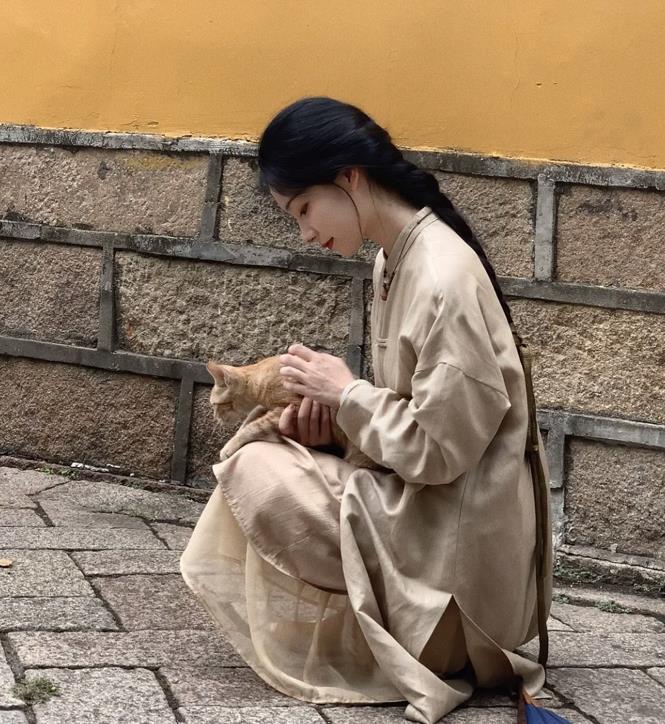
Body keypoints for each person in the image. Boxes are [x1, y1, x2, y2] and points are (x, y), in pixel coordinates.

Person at [180, 96, 553, 724]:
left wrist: (348, 393)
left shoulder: (441, 276)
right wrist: (335, 427)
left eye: (304, 209)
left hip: (464, 595)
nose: (305, 232)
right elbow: (416, 423)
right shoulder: (396, 259)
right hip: (437, 529)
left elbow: (438, 452)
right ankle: (391, 619)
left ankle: (423, 638)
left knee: (253, 471)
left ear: (349, 176)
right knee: (268, 448)